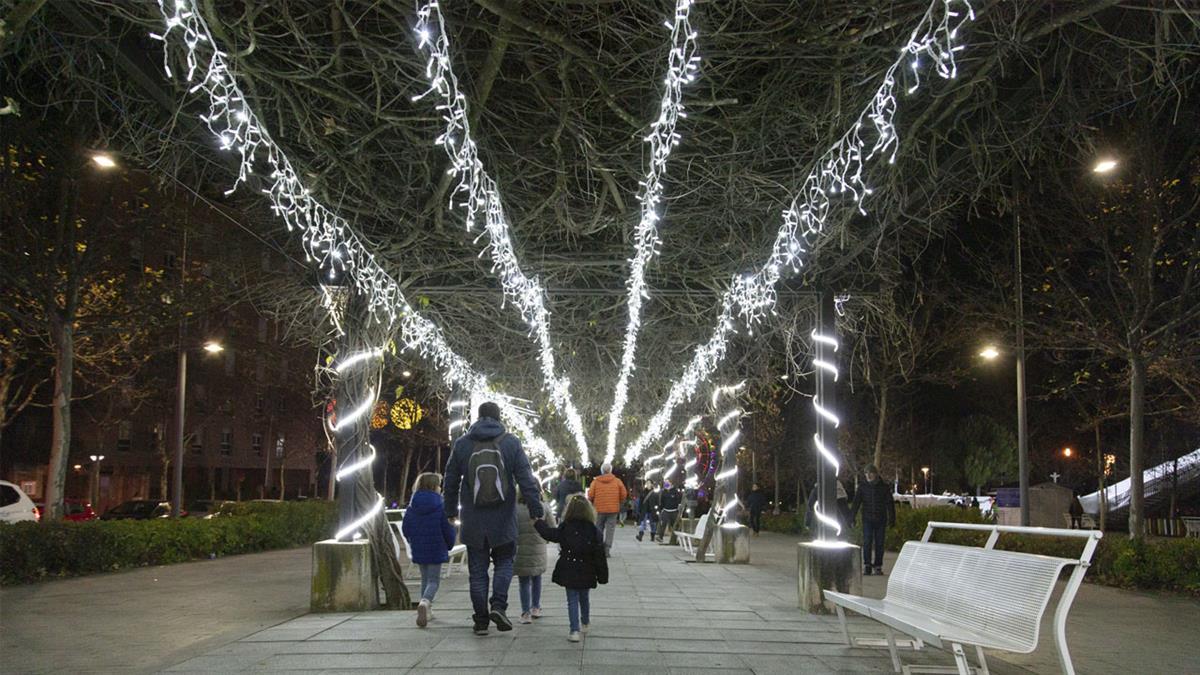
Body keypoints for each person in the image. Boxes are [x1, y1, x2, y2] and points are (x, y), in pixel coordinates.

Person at [443, 401, 545, 636]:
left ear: (478, 417)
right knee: (505, 562)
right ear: (499, 418)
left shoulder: (463, 444)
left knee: (477, 571)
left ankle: (480, 621)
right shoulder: (510, 443)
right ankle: (498, 606)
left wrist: (450, 510)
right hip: (503, 518)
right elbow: (526, 478)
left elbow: (450, 481)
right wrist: (535, 509)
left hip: (473, 518)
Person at [535, 494, 609, 642]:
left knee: (572, 599)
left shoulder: (566, 526)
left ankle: (574, 630)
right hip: (587, 568)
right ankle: (585, 622)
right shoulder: (593, 530)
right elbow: (599, 554)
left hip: (569, 567)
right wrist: (602, 575)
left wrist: (539, 523)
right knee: (584, 597)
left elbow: (551, 534)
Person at [400, 472, 457, 628]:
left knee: (425, 578)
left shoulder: (412, 505)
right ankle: (425, 603)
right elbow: (448, 528)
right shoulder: (441, 505)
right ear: (435, 486)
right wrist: (449, 543)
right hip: (436, 546)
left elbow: (406, 528)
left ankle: (427, 610)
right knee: (433, 581)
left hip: (419, 546)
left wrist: (413, 540)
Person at [514, 490, 556, 624]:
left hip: (520, 547)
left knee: (523, 581)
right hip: (538, 547)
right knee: (537, 577)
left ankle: (525, 613)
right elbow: (552, 526)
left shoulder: (515, 508)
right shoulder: (543, 506)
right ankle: (536, 607)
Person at [849, 464, 896, 576]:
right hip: (867, 519)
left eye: (870, 473)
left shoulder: (884, 487)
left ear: (875, 474)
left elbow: (890, 503)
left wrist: (892, 518)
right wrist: (852, 517)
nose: (868, 475)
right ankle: (867, 565)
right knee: (867, 542)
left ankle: (878, 565)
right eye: (866, 473)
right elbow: (856, 503)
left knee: (880, 543)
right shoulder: (862, 487)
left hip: (880, 519)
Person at [588, 462, 628, 556]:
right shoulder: (617, 481)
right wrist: (619, 501)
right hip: (613, 509)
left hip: (599, 509)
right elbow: (624, 494)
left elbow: (590, 495)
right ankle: (607, 549)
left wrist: (592, 502)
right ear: (610, 470)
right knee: (610, 530)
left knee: (598, 528)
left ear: (602, 471)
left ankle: (598, 547)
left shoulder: (595, 481)